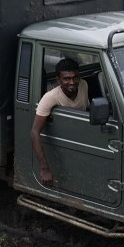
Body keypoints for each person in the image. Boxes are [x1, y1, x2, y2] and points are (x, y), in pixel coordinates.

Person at [31, 58, 88, 187]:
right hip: (65, 140)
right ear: (58, 80)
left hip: (82, 135)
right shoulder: (50, 97)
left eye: (75, 77)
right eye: (66, 79)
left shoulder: (83, 85)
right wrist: (44, 169)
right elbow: (34, 132)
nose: (72, 82)